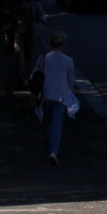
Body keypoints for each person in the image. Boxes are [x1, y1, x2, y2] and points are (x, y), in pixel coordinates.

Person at [32, 31, 80, 166]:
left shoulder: (43, 58)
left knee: (47, 121)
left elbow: (35, 74)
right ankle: (53, 152)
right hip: (61, 95)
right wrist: (70, 93)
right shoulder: (68, 60)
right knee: (57, 123)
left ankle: (49, 148)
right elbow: (70, 80)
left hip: (45, 94)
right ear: (63, 44)